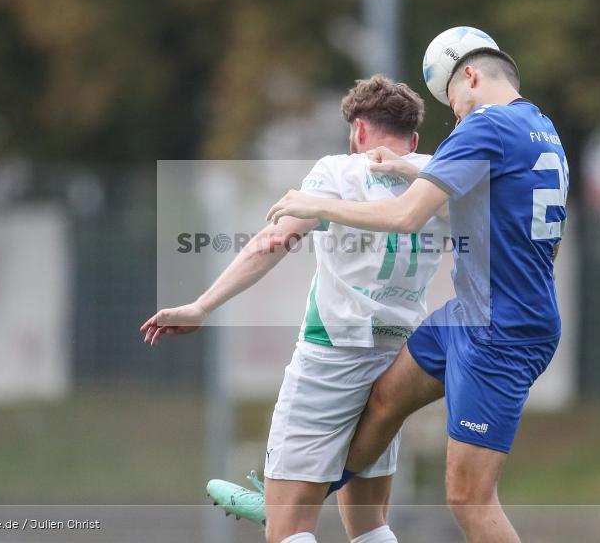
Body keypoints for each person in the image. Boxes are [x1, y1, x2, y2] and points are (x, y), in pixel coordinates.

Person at [265, 32, 570, 542]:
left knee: (469, 498)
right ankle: (294, 504)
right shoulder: (541, 127)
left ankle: (288, 512)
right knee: (383, 401)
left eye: (450, 99)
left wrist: (316, 206)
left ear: (470, 77)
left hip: (500, 332)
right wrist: (409, 166)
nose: (453, 115)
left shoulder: (482, 126)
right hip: (470, 315)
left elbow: (407, 216)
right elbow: (513, 202)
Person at [141, 75, 449, 543]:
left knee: (287, 528)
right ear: (415, 138)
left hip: (330, 359)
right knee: (369, 524)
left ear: (359, 132)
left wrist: (203, 305)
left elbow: (274, 241)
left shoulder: (338, 172)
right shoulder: (438, 177)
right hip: (395, 359)